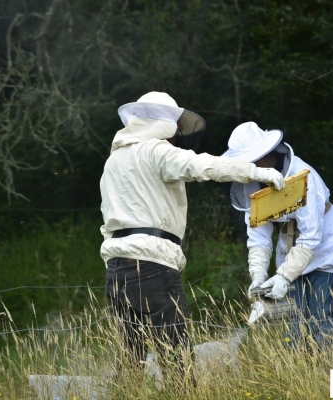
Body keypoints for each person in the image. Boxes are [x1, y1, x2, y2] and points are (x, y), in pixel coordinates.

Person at [100, 92, 285, 376]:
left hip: (116, 271)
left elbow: (107, 218)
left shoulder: (113, 162)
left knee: (129, 363)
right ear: (163, 123)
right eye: (175, 125)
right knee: (178, 363)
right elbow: (205, 165)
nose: (178, 133)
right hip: (153, 265)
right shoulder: (154, 152)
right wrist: (256, 172)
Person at [222, 122, 333, 351]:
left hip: (327, 248)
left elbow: (312, 236)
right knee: (298, 331)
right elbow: (258, 236)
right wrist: (258, 277)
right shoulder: (252, 183)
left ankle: (324, 375)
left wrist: (283, 276)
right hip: (292, 250)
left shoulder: (303, 176)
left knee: (324, 329)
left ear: (268, 154)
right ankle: (302, 378)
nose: (251, 165)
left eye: (253, 159)